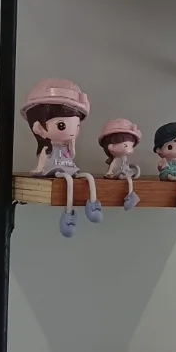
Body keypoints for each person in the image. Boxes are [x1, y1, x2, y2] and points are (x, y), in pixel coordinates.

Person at [19, 79, 101, 237]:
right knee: (68, 181)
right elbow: (43, 161)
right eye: (62, 125)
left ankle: (93, 203)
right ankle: (69, 213)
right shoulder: (47, 148)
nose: (71, 131)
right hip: (54, 167)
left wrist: (72, 145)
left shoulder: (66, 147)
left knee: (88, 178)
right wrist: (39, 169)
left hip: (68, 166)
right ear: (38, 127)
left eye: (76, 126)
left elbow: (72, 156)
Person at [98, 118, 142, 211]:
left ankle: (130, 195)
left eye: (131, 146)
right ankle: (130, 196)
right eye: (125, 145)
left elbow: (127, 165)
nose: (130, 149)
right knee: (126, 179)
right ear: (111, 147)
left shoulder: (124, 159)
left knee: (129, 179)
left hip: (126, 172)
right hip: (120, 173)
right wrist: (110, 172)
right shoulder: (117, 160)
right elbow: (112, 167)